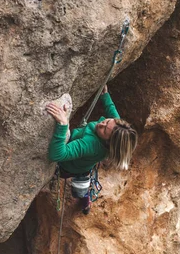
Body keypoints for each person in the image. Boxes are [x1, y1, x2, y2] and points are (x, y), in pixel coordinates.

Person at [46, 86, 137, 214]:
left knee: (80, 189)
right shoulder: (114, 127)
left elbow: (57, 154)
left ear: (108, 142)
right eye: (107, 121)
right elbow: (112, 112)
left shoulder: (91, 144)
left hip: (68, 167)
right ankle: (86, 201)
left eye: (104, 130)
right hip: (84, 165)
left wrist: (63, 124)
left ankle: (85, 204)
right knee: (83, 180)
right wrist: (105, 95)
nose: (101, 124)